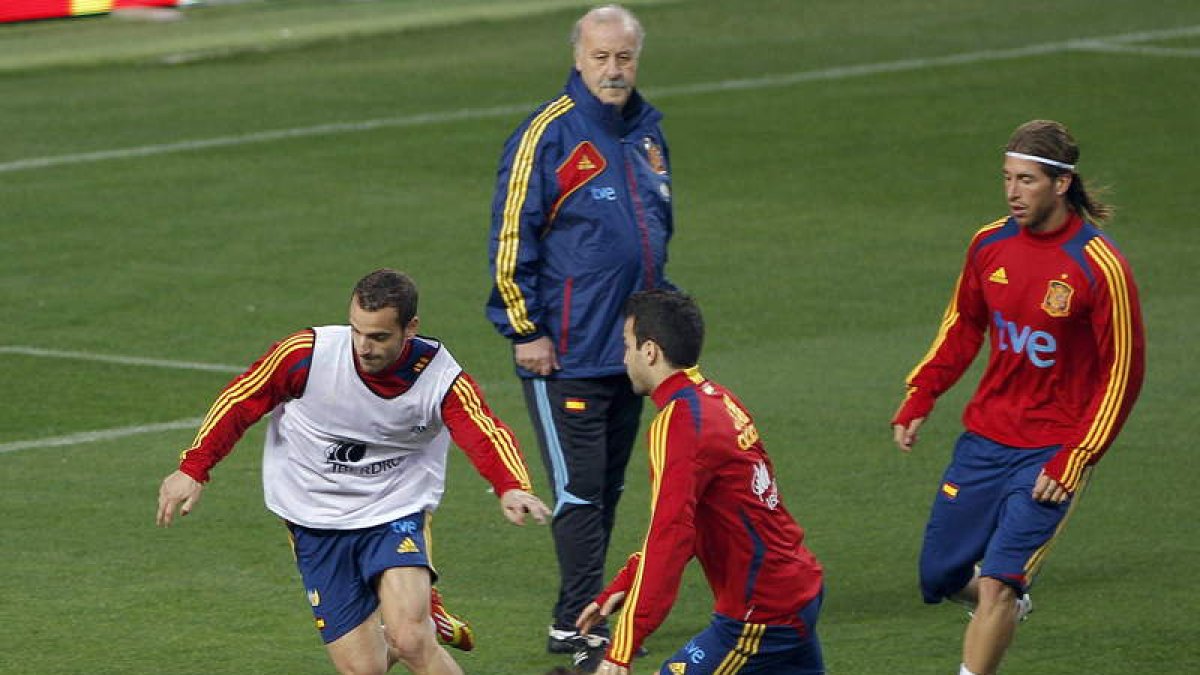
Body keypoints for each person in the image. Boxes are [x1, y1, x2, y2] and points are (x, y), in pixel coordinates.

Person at [157, 269, 551, 675]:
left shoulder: (441, 379)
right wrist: (193, 468)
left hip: (395, 508)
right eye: (357, 331)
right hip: (314, 516)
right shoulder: (305, 355)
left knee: (411, 639)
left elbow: (484, 431)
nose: (363, 346)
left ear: (410, 328)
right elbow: (241, 400)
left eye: (379, 336)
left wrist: (511, 486)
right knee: (366, 670)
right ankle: (427, 618)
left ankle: (418, 622)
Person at [890, 120, 1145, 675]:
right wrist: (921, 394)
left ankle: (999, 612)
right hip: (985, 440)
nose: (1012, 192)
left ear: (1060, 184)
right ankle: (1004, 603)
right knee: (940, 576)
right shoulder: (990, 243)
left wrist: (1076, 456)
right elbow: (962, 327)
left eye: (1026, 180)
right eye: (1007, 178)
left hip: (1050, 453)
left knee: (1000, 581)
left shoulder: (1100, 266)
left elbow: (1122, 374)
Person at [485, 3, 675, 657]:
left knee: (609, 486)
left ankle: (587, 612)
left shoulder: (648, 134)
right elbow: (511, 239)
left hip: (627, 354)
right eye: (601, 57)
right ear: (577, 58)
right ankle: (576, 620)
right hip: (561, 353)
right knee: (579, 486)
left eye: (624, 57)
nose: (613, 70)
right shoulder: (549, 136)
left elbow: (654, 237)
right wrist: (524, 329)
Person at [575, 289, 827, 675]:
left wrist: (623, 645)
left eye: (627, 345)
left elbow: (670, 537)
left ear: (650, 351)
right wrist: (623, 583)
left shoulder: (678, 423)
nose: (623, 357)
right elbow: (690, 525)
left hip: (760, 612)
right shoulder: (718, 399)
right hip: (794, 588)